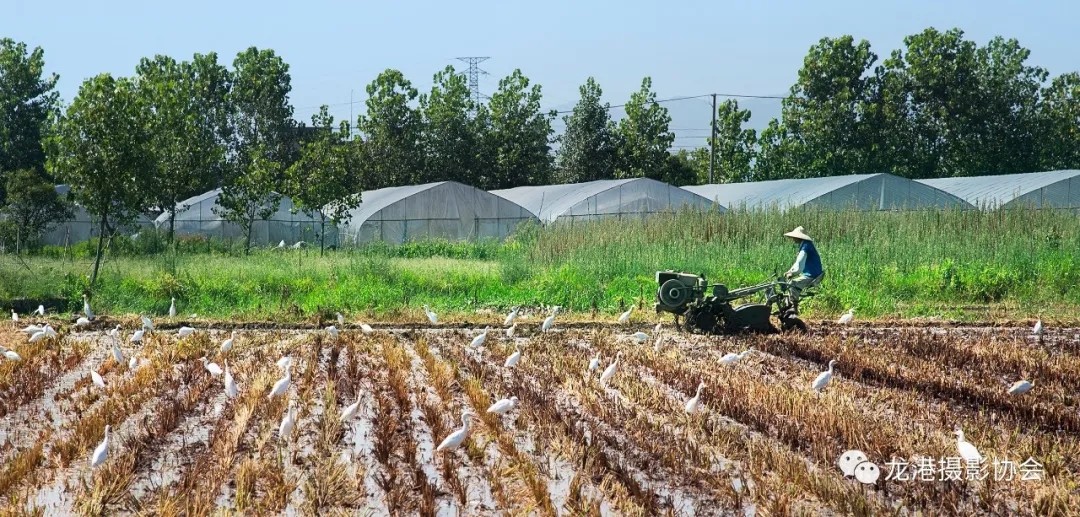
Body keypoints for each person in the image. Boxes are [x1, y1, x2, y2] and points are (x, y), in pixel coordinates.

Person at [783, 226, 823, 292]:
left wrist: (792, 273)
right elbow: (797, 262)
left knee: (792, 284)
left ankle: (792, 301)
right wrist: (789, 271)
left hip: (812, 275)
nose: (793, 238)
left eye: (794, 237)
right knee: (790, 283)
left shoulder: (806, 247)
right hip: (811, 274)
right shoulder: (806, 245)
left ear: (798, 237)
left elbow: (799, 264)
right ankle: (789, 300)